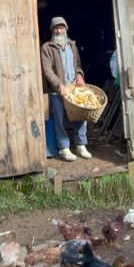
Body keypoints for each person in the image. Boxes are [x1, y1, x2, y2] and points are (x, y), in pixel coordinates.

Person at [41, 16, 92, 162]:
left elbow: (78, 65)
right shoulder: (47, 48)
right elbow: (47, 70)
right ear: (52, 31)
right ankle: (64, 148)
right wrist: (58, 85)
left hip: (74, 89)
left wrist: (80, 75)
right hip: (58, 90)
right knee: (60, 119)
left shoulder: (72, 45)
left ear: (66, 29)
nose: (58, 30)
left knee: (80, 116)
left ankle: (81, 145)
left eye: (61, 27)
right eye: (56, 28)